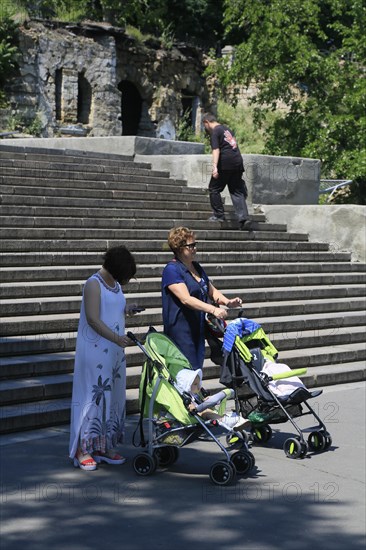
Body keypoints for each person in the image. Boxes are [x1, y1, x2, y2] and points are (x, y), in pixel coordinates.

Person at [69, 245, 139, 471]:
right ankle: (83, 449)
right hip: (96, 351)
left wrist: (128, 309)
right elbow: (93, 319)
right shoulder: (93, 283)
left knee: (114, 396)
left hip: (114, 352)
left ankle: (103, 446)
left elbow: (112, 308)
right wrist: (116, 338)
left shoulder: (115, 285)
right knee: (93, 397)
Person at [161, 226, 243, 371]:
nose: (194, 249)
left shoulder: (196, 267)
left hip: (197, 329)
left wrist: (227, 302)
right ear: (179, 248)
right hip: (181, 331)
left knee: (196, 370)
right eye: (190, 246)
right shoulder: (171, 270)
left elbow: (211, 291)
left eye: (195, 245)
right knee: (186, 372)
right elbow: (186, 299)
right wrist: (213, 309)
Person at [202, 112, 253, 231]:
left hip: (225, 163)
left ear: (206, 122)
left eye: (204, 126)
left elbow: (216, 150)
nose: (205, 129)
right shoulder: (226, 129)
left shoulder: (215, 131)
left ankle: (219, 215)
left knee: (214, 188)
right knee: (236, 191)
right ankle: (244, 219)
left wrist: (214, 167)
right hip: (237, 162)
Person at [175, 368, 250, 431]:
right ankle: (225, 420)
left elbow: (199, 402)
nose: (199, 386)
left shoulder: (194, 395)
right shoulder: (186, 397)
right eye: (195, 384)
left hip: (202, 411)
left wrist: (205, 401)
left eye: (198, 383)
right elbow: (191, 407)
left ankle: (237, 421)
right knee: (207, 412)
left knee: (212, 410)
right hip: (198, 415)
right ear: (187, 385)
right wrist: (192, 407)